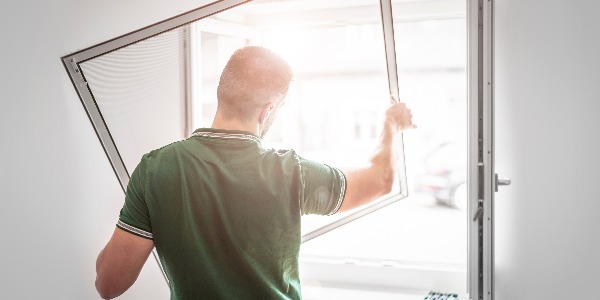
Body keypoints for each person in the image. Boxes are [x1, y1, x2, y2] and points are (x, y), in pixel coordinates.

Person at [95, 46, 415, 300]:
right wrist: (391, 127)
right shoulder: (292, 174)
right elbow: (381, 180)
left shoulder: (156, 168)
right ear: (268, 111)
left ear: (222, 93)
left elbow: (109, 284)